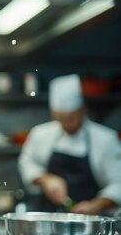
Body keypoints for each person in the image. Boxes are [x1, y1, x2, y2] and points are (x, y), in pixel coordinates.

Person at [19, 74, 121, 215]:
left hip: (92, 220)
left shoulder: (105, 139)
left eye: (71, 118)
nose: (67, 124)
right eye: (61, 118)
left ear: (83, 110)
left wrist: (96, 205)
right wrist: (46, 179)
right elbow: (27, 163)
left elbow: (119, 183)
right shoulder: (40, 134)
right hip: (47, 217)